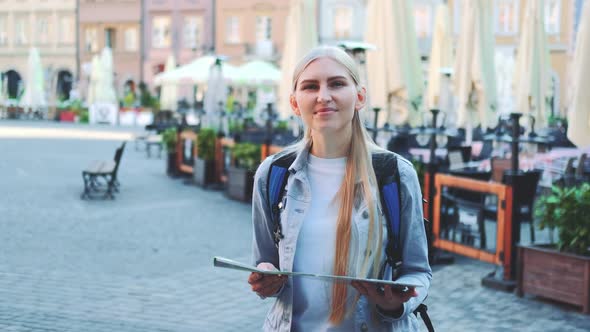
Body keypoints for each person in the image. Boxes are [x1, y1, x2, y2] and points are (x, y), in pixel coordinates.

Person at [248, 46, 431, 331]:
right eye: (310, 86)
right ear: (295, 103)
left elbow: (417, 271)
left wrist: (396, 303)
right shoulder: (274, 174)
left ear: (359, 97)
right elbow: (265, 261)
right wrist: (266, 278)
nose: (323, 96)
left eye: (336, 83)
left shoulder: (394, 173)